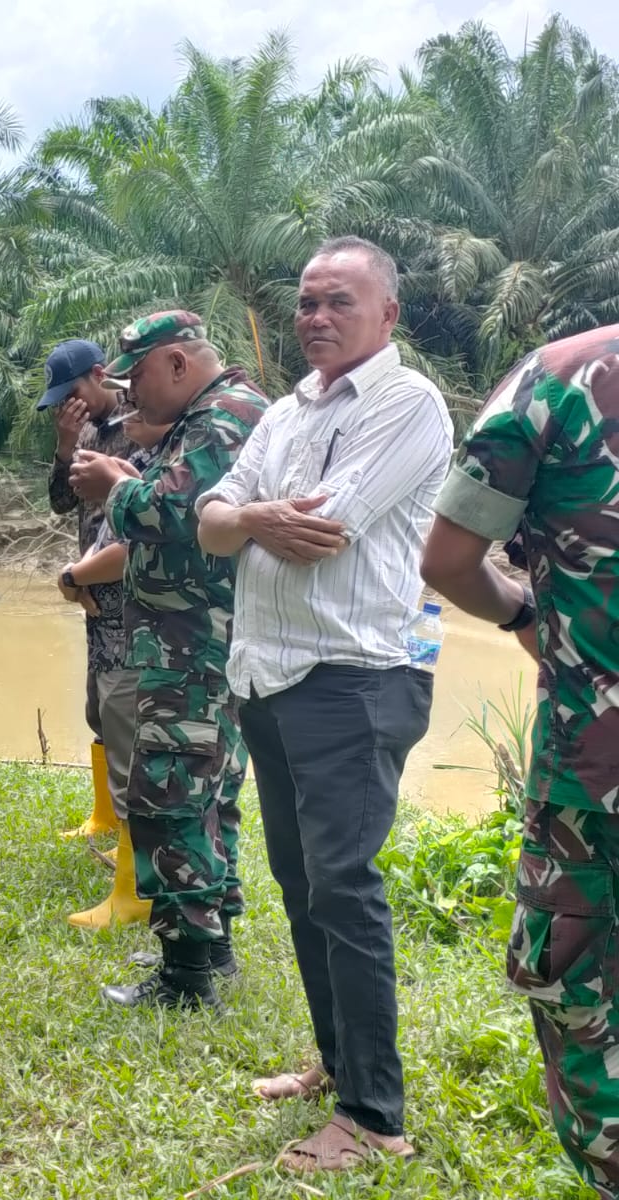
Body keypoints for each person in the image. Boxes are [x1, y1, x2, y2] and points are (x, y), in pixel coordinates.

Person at [197, 237, 450, 1169]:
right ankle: (338, 1063)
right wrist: (257, 515)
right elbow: (213, 519)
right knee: (301, 886)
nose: (314, 318)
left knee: (342, 887)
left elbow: (325, 529)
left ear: (387, 313)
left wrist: (252, 519)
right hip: (266, 675)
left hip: (353, 677)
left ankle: (376, 1119)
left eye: (338, 302)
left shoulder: (407, 403)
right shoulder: (288, 408)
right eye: (305, 302)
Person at [420, 323, 619, 1198]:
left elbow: (450, 561)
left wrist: (528, 622)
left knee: (585, 999)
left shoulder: (560, 379)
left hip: (596, 776)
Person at [69, 311, 265, 1009]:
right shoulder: (210, 415)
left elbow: (176, 513)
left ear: (179, 364)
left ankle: (188, 977)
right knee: (208, 795)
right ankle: (212, 947)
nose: (129, 395)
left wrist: (116, 487)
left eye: (140, 375)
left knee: (168, 796)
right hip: (193, 640)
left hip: (195, 645)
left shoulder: (225, 418)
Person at [61, 409, 173, 929]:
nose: (129, 419)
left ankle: (135, 893)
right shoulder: (134, 465)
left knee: (136, 759)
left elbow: (132, 549)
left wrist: (73, 573)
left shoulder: (159, 469)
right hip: (112, 630)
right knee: (119, 739)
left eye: (139, 410)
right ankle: (132, 883)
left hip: (136, 633)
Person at [42, 338, 135, 847]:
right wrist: (64, 446)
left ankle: (130, 837)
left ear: (100, 375)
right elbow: (60, 503)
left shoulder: (144, 420)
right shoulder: (82, 431)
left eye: (71, 391)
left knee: (125, 711)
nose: (66, 405)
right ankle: (103, 815)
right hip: (92, 590)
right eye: (59, 400)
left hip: (128, 584)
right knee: (99, 707)